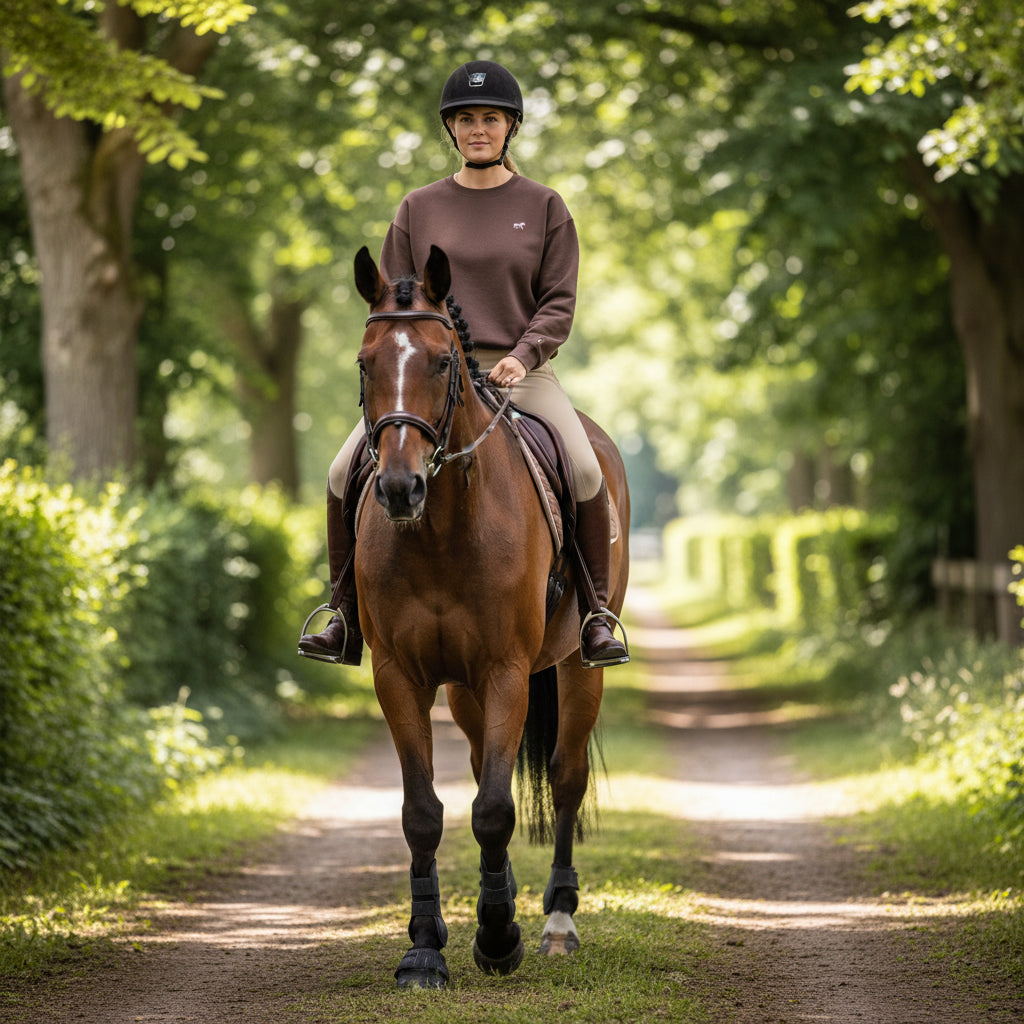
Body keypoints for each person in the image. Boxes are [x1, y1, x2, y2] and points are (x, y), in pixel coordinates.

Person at [298, 59, 628, 669]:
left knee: (585, 469)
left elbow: (558, 301)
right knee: (343, 472)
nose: (479, 128)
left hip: (519, 369)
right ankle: (342, 614)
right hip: (429, 373)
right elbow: (396, 298)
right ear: (452, 129)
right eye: (467, 119)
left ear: (511, 128)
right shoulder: (418, 207)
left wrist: (524, 358)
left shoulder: (545, 205)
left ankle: (596, 617)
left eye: (491, 118)